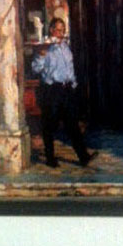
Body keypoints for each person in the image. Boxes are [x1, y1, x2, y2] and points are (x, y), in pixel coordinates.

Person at [32, 17, 95, 168]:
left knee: (72, 124)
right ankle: (50, 158)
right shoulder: (45, 47)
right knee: (49, 125)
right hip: (52, 90)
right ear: (51, 30)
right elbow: (35, 69)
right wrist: (41, 55)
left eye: (63, 30)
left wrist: (73, 83)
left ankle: (83, 157)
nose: (61, 34)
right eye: (58, 30)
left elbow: (69, 68)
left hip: (66, 90)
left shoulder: (66, 47)